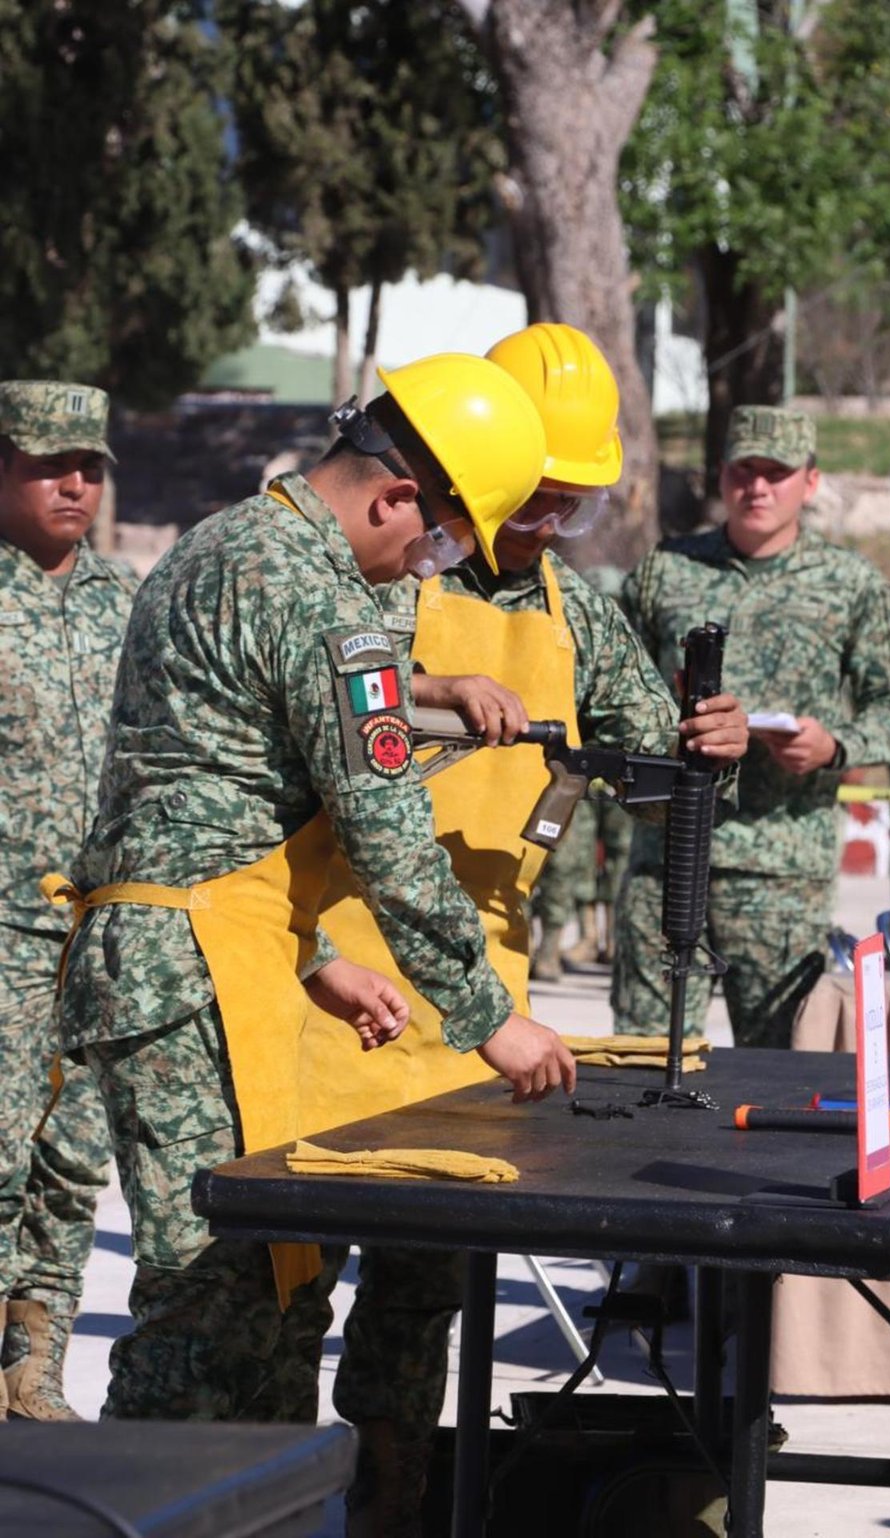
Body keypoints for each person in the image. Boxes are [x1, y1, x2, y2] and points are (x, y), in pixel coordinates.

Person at [54, 353, 579, 1426]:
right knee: (213, 1298)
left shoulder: (220, 543)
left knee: (271, 1298)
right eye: (434, 540)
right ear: (395, 494)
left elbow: (198, 791)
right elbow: (386, 828)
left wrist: (312, 957)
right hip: (192, 970)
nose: (421, 569)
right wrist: (491, 1019)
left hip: (192, 949)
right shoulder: (325, 600)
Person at [309, 323, 747, 1536]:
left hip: (479, 994)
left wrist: (704, 748)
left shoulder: (576, 612)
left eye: (566, 508)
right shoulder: (377, 574)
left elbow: (659, 765)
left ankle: (387, 1502)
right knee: (275, 1272)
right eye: (533, 500)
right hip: (332, 967)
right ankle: (250, 1490)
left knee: (422, 1289)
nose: (544, 525)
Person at [613, 405, 890, 1048]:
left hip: (781, 872)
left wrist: (835, 746)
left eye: (776, 473)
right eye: (742, 471)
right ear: (720, 476)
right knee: (643, 1058)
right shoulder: (664, 571)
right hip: (667, 857)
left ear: (810, 482)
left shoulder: (850, 585)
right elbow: (609, 694)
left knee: (783, 1066)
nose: (757, 488)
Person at [0, 381, 136, 1422]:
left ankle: (34, 1374)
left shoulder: (126, 597)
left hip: (99, 929)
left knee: (71, 1163)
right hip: (1, 928)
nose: (76, 483)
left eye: (88, 464)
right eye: (52, 464)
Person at [530, 566, 633, 979]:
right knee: (554, 855)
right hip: (566, 766)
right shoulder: (562, 632)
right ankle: (551, 943)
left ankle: (596, 940)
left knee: (611, 859)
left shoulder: (618, 642)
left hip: (605, 771)